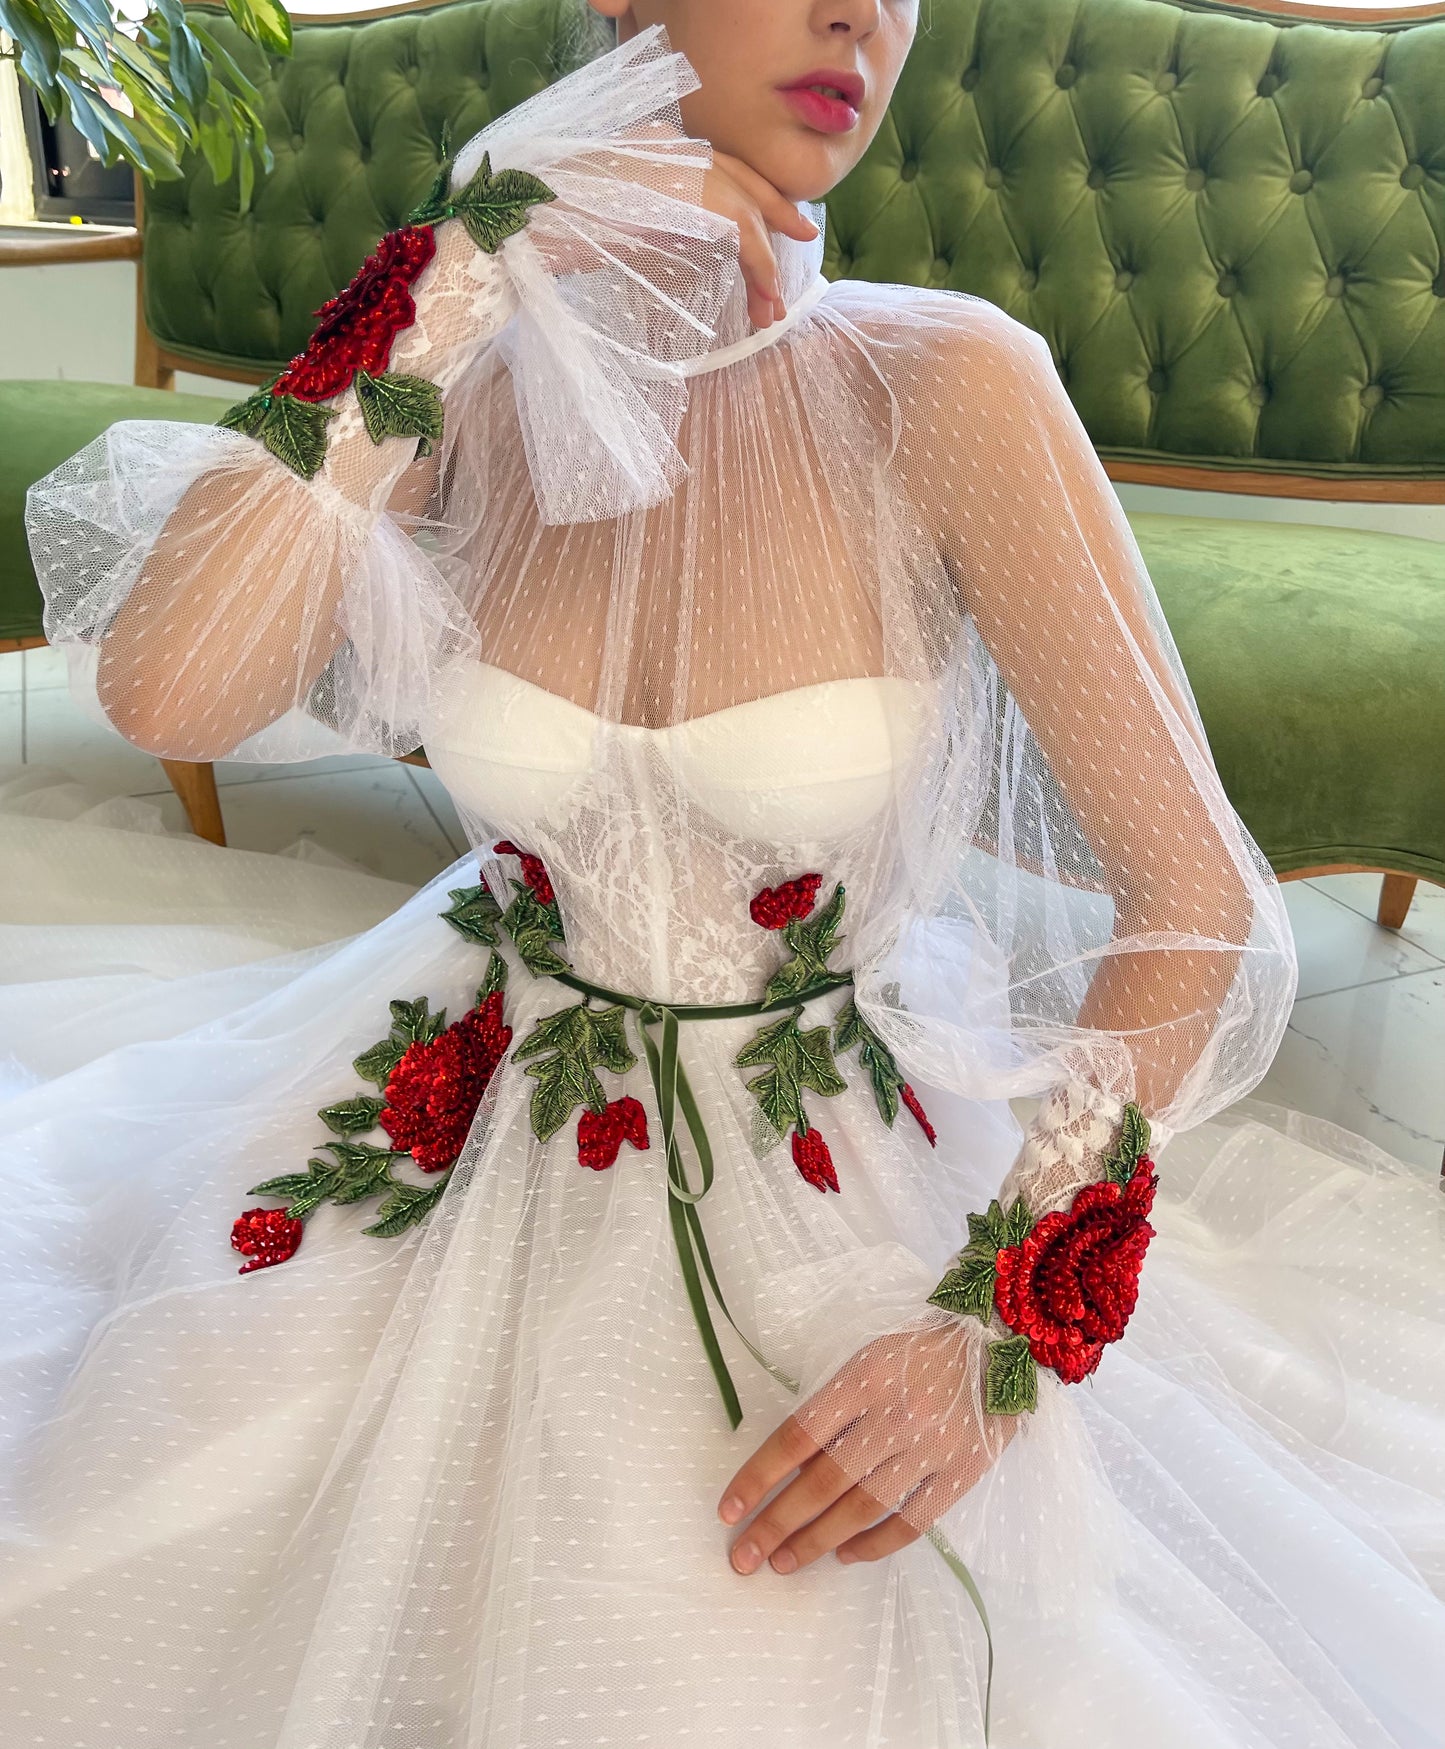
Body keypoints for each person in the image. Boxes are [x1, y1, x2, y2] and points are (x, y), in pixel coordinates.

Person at [2, 3, 1442, 1745]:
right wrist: (467, 262)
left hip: (832, 1164)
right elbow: (170, 687)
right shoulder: (473, 360)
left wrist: (994, 1334)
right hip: (455, 1092)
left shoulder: (944, 378)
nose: (860, 13)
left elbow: (1195, 897)